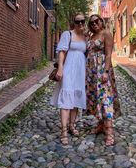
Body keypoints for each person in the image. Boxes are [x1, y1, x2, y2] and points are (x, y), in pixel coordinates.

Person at [50, 13, 86, 145]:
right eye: (78, 22)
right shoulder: (68, 34)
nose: (80, 24)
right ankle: (64, 130)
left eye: (83, 21)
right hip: (69, 69)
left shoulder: (86, 37)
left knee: (76, 98)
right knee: (66, 98)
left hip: (81, 71)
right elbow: (61, 52)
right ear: (74, 23)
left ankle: (72, 126)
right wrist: (60, 69)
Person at [86, 14, 120, 146]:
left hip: (101, 71)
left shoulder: (106, 33)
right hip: (91, 73)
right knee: (95, 98)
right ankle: (100, 125)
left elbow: (108, 54)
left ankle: (110, 132)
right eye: (91, 23)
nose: (94, 24)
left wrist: (106, 71)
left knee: (105, 98)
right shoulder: (90, 36)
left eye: (96, 21)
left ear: (101, 21)